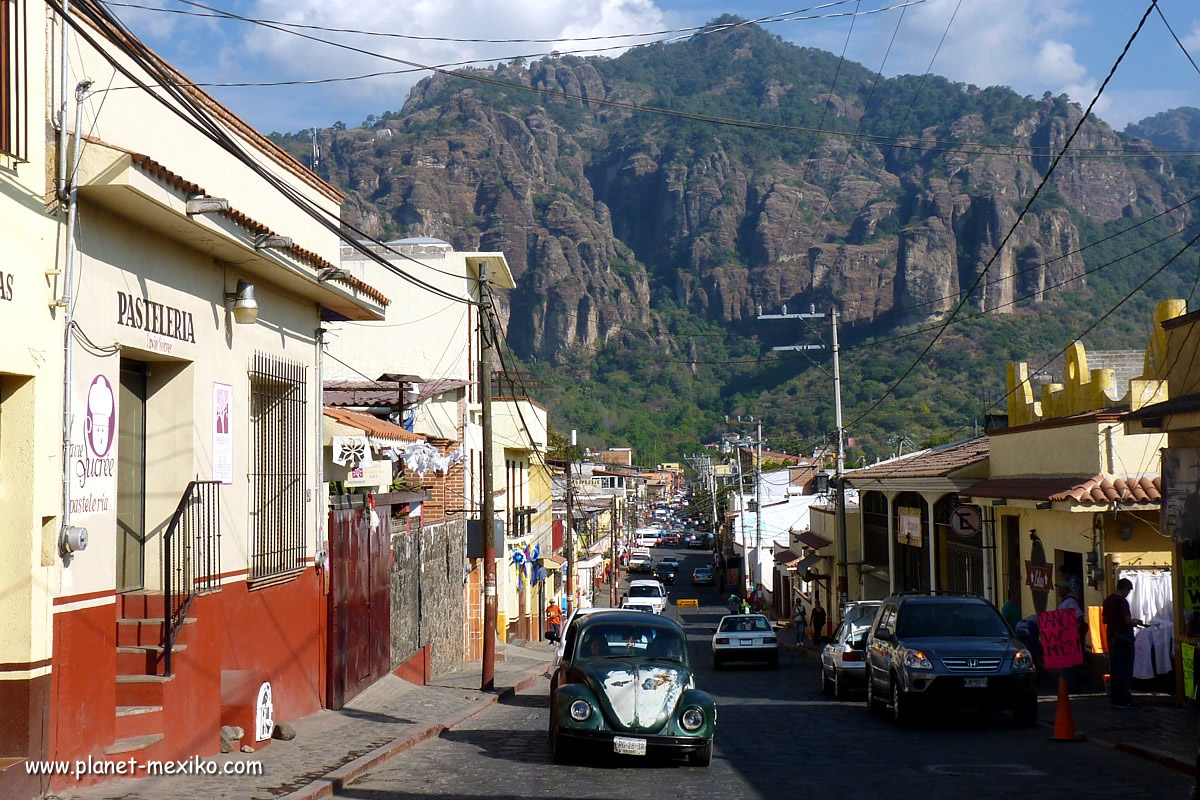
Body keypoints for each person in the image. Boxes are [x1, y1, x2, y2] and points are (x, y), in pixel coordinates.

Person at [1103, 577, 1143, 708]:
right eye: (1128, 591)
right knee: (1125, 670)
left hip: (1112, 638)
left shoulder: (1108, 600)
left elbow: (1104, 620)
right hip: (1123, 639)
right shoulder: (1122, 601)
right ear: (1124, 589)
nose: (1128, 593)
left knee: (1115, 670)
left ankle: (1116, 698)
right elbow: (1127, 621)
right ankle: (1123, 699)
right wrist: (1136, 622)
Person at [1055, 581, 1087, 692]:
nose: (1059, 591)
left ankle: (1072, 685)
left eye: (1062, 589)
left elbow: (1079, 617)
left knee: (1070, 665)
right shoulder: (1065, 602)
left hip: (1070, 638)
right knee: (1066, 664)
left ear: (1067, 590)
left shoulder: (1071, 602)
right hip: (1065, 637)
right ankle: (1068, 685)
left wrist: (1073, 631)